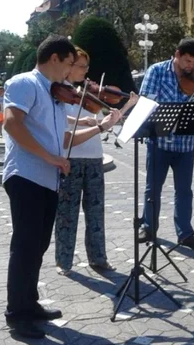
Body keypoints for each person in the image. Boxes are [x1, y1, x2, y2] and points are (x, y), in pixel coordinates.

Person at [1, 35, 121, 339]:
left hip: (46, 179)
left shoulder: (55, 94)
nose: (71, 71)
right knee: (25, 247)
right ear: (54, 58)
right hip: (26, 176)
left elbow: (64, 139)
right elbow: (12, 124)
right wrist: (49, 157)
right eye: (69, 63)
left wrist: (100, 127)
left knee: (37, 247)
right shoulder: (25, 83)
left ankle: (30, 304)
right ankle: (17, 314)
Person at [54, 46, 139, 275]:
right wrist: (94, 124)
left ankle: (98, 258)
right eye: (81, 66)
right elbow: (64, 124)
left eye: (86, 66)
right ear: (69, 66)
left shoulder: (90, 96)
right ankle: (64, 261)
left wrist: (127, 106)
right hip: (71, 158)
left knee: (96, 211)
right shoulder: (58, 94)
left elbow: (103, 123)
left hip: (94, 158)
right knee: (67, 214)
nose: (85, 71)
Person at [137, 38, 194, 251]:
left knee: (184, 191)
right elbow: (145, 101)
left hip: (185, 145)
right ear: (176, 54)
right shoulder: (157, 71)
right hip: (160, 142)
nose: (190, 66)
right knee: (153, 189)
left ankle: (185, 233)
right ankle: (148, 227)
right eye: (187, 61)